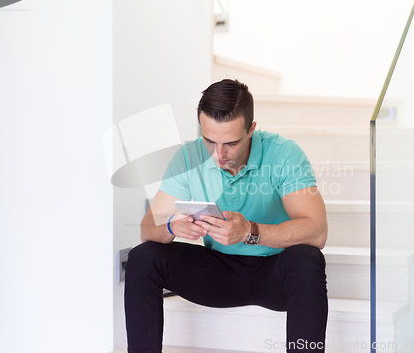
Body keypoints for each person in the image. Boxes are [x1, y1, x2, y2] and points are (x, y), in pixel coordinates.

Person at [124, 79, 328, 353]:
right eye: (210, 140)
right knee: (142, 257)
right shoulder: (189, 156)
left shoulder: (284, 154)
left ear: (252, 129)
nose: (219, 154)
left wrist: (250, 232)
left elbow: (317, 231)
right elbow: (148, 228)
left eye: (231, 143)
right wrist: (172, 227)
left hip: (275, 273)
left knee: (306, 259)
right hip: (216, 273)